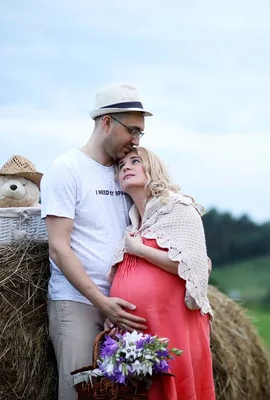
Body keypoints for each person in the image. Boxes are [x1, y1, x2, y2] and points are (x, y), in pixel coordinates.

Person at [41, 84, 152, 400]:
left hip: (123, 305)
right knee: (80, 393)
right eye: (132, 130)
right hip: (78, 303)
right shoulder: (67, 169)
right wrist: (102, 302)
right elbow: (58, 247)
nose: (136, 140)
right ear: (106, 122)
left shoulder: (127, 171)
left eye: (140, 133)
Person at [108, 146, 216, 400]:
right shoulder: (134, 221)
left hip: (173, 324)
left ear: (153, 169)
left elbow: (195, 266)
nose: (126, 167)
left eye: (135, 161)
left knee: (173, 387)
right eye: (121, 164)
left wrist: (140, 249)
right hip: (139, 330)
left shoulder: (178, 208)